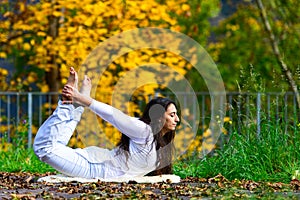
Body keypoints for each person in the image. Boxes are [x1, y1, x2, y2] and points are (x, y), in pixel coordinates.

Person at [33, 67, 180, 179]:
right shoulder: (144, 130)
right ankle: (69, 103)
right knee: (45, 148)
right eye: (172, 115)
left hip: (98, 166)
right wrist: (84, 99)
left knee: (53, 145)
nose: (177, 119)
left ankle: (76, 105)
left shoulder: (162, 140)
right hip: (92, 168)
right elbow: (113, 115)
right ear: (160, 118)